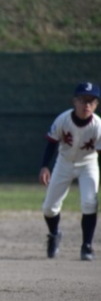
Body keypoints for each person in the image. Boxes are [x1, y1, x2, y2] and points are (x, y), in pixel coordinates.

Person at [39, 82, 101, 261]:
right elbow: (51, 143)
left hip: (88, 164)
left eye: (91, 101)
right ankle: (54, 234)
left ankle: (87, 246)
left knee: (89, 203)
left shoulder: (98, 125)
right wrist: (44, 166)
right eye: (83, 100)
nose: (87, 105)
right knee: (49, 208)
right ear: (75, 102)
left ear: (96, 105)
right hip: (64, 163)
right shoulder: (63, 119)